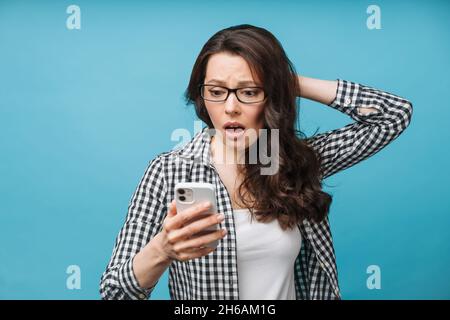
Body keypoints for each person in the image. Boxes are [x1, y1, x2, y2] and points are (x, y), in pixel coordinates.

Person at [99, 24, 413, 300]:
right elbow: (114, 292)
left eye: (249, 91)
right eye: (217, 91)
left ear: (271, 96)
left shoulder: (295, 162)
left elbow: (392, 115)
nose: (231, 107)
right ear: (201, 96)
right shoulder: (168, 171)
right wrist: (162, 250)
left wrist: (286, 80)